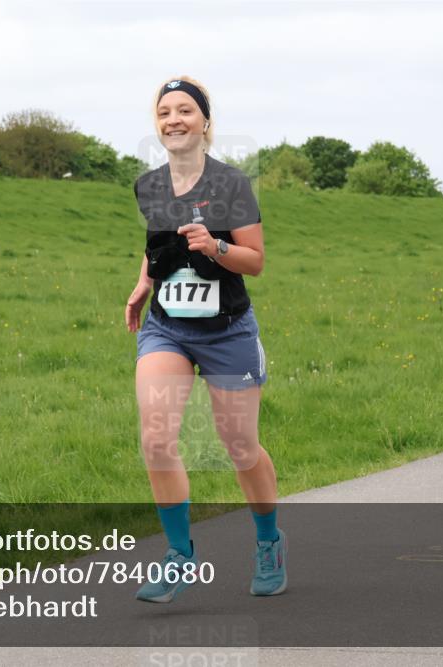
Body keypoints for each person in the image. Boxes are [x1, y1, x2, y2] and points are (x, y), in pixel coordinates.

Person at [126, 76, 286, 603]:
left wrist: (216, 246)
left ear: (205, 123)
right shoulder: (149, 185)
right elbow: (156, 246)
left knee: (239, 446)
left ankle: (268, 542)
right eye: (165, 111)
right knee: (155, 439)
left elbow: (256, 262)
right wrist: (143, 284)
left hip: (227, 331)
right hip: (167, 326)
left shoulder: (232, 185)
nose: (174, 119)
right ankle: (179, 556)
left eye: (185, 111)